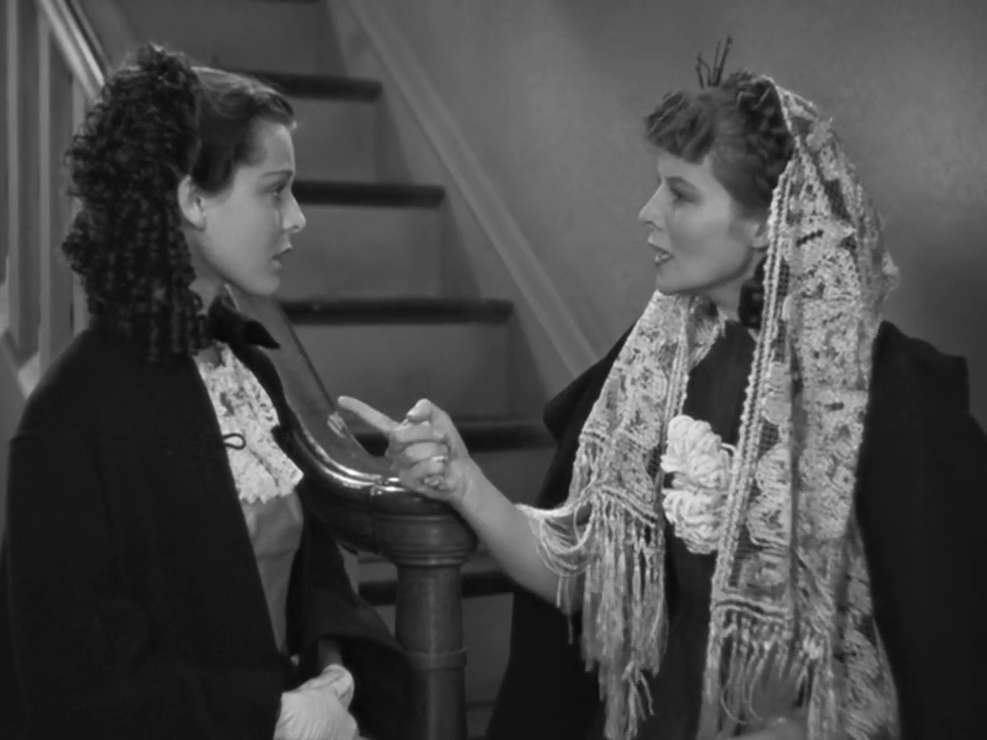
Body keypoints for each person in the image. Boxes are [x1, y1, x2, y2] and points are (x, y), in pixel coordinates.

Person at [340, 57, 986, 739]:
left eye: (680, 194)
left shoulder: (884, 393)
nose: (647, 214)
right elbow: (588, 580)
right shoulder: (655, 361)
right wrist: (463, 481)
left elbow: (937, 654)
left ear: (768, 222)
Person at [0, 44, 410, 740]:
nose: (296, 217)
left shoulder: (246, 371)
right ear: (192, 200)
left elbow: (314, 579)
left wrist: (333, 673)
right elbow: (74, 677)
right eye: (275, 190)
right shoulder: (73, 413)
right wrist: (268, 716)